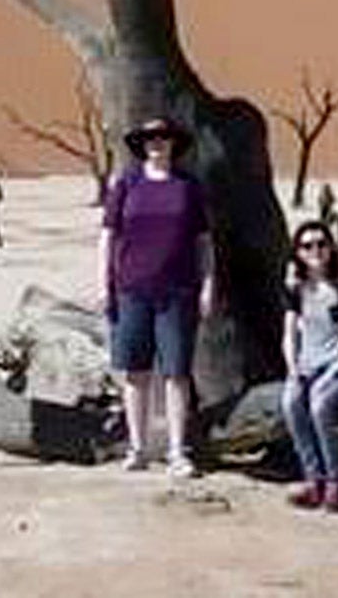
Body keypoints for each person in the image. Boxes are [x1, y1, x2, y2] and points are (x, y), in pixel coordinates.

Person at [101, 117, 215, 478]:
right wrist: (104, 285)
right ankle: (137, 447)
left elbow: (203, 242)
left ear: (174, 143)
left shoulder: (188, 186)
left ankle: (177, 450)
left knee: (176, 372)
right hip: (132, 289)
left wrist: (208, 284)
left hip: (178, 291)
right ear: (141, 144)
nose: (157, 142)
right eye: (150, 137)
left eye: (163, 137)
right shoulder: (127, 183)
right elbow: (108, 236)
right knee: (136, 371)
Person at [280, 219, 338, 512]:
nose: (315, 251)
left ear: (331, 248)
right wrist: (293, 368)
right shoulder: (296, 288)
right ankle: (312, 478)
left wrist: (333, 372)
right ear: (298, 252)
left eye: (321, 244)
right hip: (308, 364)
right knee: (290, 402)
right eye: (307, 246)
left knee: (319, 405)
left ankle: (335, 481)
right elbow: (289, 335)